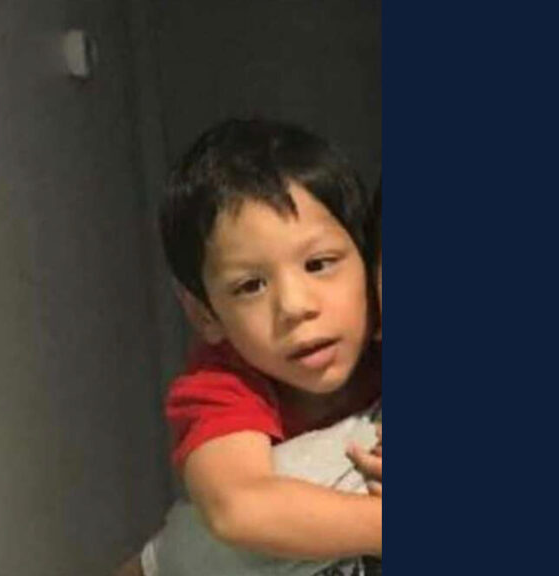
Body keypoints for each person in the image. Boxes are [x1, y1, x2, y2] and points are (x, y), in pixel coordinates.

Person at [116, 119, 382, 575]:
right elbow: (237, 508)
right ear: (205, 314)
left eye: (319, 264)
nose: (294, 306)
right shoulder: (221, 385)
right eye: (251, 286)